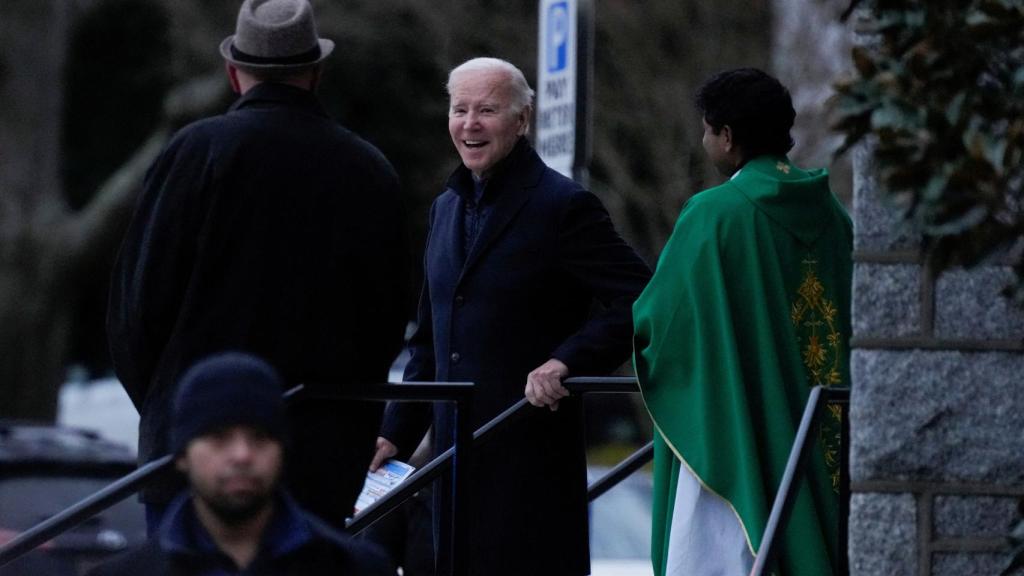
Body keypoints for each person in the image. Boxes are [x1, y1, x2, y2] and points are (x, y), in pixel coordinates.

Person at [106, 0, 409, 533]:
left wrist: (179, 411)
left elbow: (136, 309)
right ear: (316, 72)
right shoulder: (368, 169)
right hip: (320, 457)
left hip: (194, 456)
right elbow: (384, 322)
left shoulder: (196, 152)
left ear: (232, 72)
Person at [371, 57, 652, 576]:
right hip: (450, 475)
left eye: (487, 110)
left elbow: (642, 297)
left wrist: (566, 361)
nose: (469, 123)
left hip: (529, 469)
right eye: (460, 109)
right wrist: (395, 433)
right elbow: (430, 341)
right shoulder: (444, 208)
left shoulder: (564, 205)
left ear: (523, 120)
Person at [633, 67, 852, 576]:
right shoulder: (836, 217)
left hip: (739, 426)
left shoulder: (715, 214)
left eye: (706, 129)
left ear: (726, 136)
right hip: (822, 433)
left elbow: (660, 324)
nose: (704, 139)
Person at [86, 352, 395, 575]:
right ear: (181, 455)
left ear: (283, 450)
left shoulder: (358, 567)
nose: (242, 455)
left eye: (260, 438)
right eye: (218, 438)